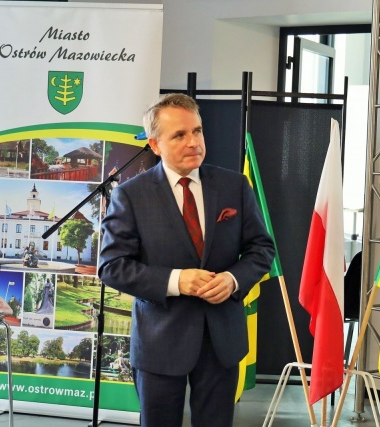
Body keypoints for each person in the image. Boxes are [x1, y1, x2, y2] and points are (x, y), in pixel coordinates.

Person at [99, 93, 275, 427]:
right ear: (155, 145)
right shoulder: (131, 195)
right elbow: (111, 266)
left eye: (197, 131)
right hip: (159, 343)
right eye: (179, 135)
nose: (193, 142)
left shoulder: (235, 186)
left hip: (222, 341)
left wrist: (233, 280)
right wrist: (176, 281)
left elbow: (261, 249)